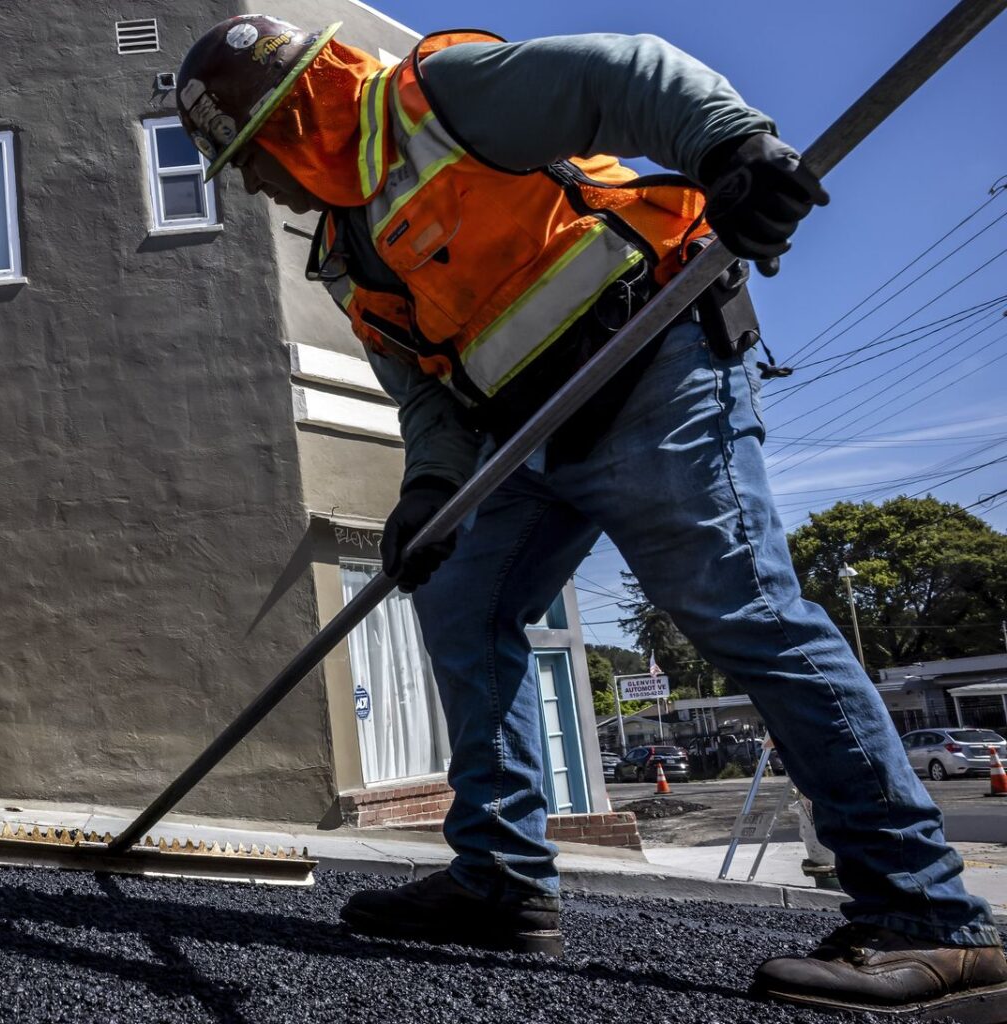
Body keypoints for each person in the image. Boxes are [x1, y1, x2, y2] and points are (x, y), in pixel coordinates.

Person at [175, 16, 1004, 1015]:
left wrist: (731, 147)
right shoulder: (350, 254)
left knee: (739, 609)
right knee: (463, 604)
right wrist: (429, 490)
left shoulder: (441, 100)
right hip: (527, 438)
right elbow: (427, 394)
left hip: (653, 365)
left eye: (250, 158)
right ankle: (501, 879)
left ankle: (928, 913)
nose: (254, 186)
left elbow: (624, 75)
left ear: (295, 117)